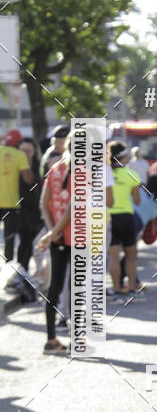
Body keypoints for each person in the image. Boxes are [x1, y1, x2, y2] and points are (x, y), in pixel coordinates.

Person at [38, 138, 72, 354]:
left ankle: (51, 339)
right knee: (78, 287)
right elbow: (73, 206)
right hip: (77, 237)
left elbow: (43, 204)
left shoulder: (55, 169)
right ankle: (78, 340)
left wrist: (52, 231)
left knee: (55, 287)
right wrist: (55, 231)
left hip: (57, 238)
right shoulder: (83, 171)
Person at [107, 142, 141, 302]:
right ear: (123, 157)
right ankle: (132, 289)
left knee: (113, 256)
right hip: (126, 217)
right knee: (131, 255)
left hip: (109, 218)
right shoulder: (131, 174)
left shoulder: (104, 174)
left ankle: (116, 291)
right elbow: (137, 201)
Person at [0, 128, 33, 263]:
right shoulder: (20, 155)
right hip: (11, 204)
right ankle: (7, 267)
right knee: (9, 238)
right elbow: (28, 179)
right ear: (18, 142)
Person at [17, 137, 44, 273]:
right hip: (21, 210)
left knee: (37, 244)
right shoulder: (14, 167)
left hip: (38, 210)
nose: (26, 154)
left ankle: (39, 275)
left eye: (29, 151)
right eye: (23, 151)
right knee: (25, 243)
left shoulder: (40, 166)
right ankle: (21, 273)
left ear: (34, 151)